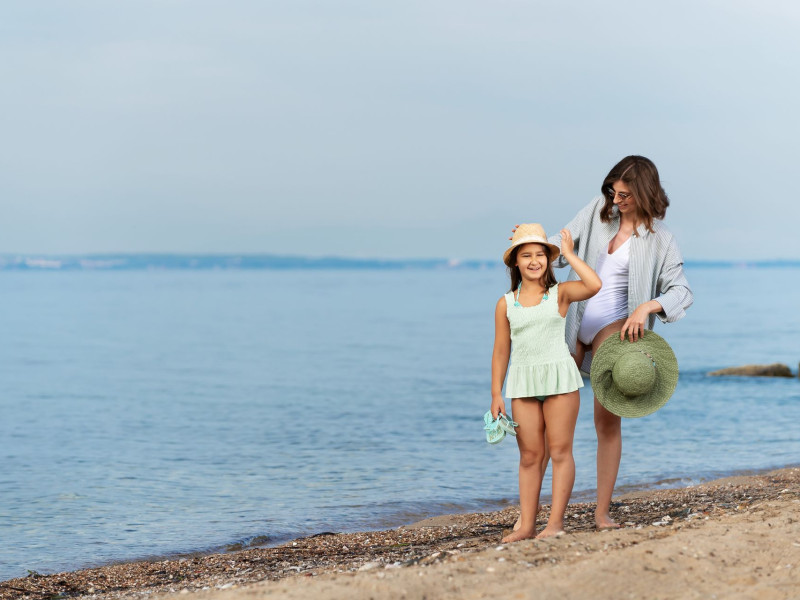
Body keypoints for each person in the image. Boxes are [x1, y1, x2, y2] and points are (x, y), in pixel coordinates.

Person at [513, 155, 693, 531]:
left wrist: (646, 307)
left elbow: (682, 291)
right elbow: (560, 243)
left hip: (614, 330)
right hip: (571, 321)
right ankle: (528, 517)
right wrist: (531, 244)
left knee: (606, 423)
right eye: (613, 191)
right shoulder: (599, 211)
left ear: (644, 192)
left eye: (624, 194)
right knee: (545, 426)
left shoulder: (662, 240)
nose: (616, 200)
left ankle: (601, 513)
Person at [491, 223, 601, 542]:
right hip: (523, 383)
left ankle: (554, 524)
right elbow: (501, 351)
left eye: (540, 254)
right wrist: (496, 393)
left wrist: (569, 254)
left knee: (560, 451)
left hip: (560, 379)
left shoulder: (560, 293)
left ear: (548, 260)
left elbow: (594, 284)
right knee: (529, 456)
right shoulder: (506, 303)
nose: (534, 261)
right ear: (515, 262)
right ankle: (526, 526)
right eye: (526, 255)